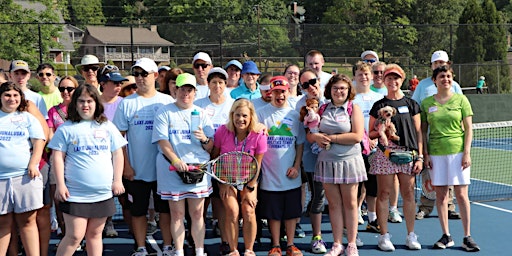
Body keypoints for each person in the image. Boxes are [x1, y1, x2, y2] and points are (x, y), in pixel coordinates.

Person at [48, 84, 127, 256]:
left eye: (90, 101)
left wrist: (117, 180)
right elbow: (57, 158)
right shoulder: (66, 128)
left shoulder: (107, 126)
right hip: (75, 194)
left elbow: (118, 154)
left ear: (96, 103)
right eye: (81, 101)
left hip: (102, 193)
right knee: (74, 236)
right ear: (75, 104)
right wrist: (61, 185)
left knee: (95, 235)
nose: (85, 105)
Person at [113, 58, 175, 256]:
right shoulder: (126, 103)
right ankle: (140, 247)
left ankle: (167, 246)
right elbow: (118, 139)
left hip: (164, 170)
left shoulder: (166, 101)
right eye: (136, 74)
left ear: (155, 76)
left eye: (144, 74)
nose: (140, 78)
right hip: (137, 171)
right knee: (137, 211)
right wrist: (126, 166)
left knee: (165, 211)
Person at [152, 73, 215, 256]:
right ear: (175, 90)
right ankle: (178, 251)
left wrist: (204, 139)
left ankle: (199, 250)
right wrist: (176, 161)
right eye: (182, 89)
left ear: (195, 92)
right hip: (172, 172)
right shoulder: (164, 112)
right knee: (177, 214)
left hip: (198, 171)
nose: (185, 93)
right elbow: (162, 142)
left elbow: (211, 146)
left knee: (197, 214)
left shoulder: (201, 113)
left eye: (189, 90)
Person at [420, 65, 480, 252]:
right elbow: (423, 131)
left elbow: (468, 128)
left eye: (448, 76)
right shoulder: (427, 103)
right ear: (435, 80)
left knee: (462, 195)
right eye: (441, 76)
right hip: (436, 154)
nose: (445, 79)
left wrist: (467, 153)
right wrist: (426, 155)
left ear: (452, 79)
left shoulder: (462, 100)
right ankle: (446, 235)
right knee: (441, 195)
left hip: (458, 153)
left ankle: (467, 236)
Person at [308, 74, 367, 256]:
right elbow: (310, 134)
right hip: (327, 162)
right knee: (333, 205)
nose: (339, 91)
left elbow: (356, 136)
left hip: (350, 162)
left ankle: (351, 244)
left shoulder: (353, 108)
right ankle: (337, 244)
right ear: (329, 91)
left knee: (350, 204)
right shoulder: (322, 109)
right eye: (335, 88)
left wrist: (331, 138)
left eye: (343, 88)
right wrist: (316, 137)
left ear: (348, 91)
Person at [368, 64, 423, 251]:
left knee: (408, 194)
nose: (393, 81)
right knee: (383, 194)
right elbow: (370, 133)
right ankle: (384, 236)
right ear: (384, 81)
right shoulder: (379, 106)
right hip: (385, 155)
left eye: (396, 78)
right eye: (389, 78)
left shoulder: (412, 104)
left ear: (402, 80)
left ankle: (411, 235)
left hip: (408, 155)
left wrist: (420, 157)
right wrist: (380, 130)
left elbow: (418, 133)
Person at [212, 98, 267, 256]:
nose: (240, 119)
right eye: (237, 115)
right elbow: (215, 158)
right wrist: (222, 183)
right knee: (232, 211)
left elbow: (258, 163)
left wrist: (251, 186)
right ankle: (233, 250)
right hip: (226, 178)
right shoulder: (222, 131)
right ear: (232, 115)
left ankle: (249, 250)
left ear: (251, 117)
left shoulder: (259, 134)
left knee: (249, 209)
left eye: (244, 116)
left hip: (249, 178)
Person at [257, 76, 305, 256]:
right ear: (271, 92)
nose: (280, 95)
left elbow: (299, 143)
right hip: (269, 174)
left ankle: (290, 245)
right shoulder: (262, 113)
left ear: (288, 92)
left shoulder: (294, 115)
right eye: (276, 92)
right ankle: (275, 244)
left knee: (291, 212)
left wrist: (297, 165)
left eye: (283, 92)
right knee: (273, 212)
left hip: (290, 173)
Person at [412, 50, 462, 220]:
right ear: (431, 65)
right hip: (429, 139)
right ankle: (425, 207)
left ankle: (449, 206)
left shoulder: (454, 85)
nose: (439, 65)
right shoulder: (422, 85)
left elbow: (461, 110)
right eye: (436, 63)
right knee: (428, 173)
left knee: (449, 175)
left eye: (443, 63)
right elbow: (416, 108)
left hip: (450, 140)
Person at [0, 81, 46, 256]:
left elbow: (39, 142)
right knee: (3, 223)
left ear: (20, 98)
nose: (11, 99)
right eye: (7, 95)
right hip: (1, 179)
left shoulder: (28, 118)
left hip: (24, 177)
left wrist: (33, 164)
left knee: (27, 222)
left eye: (15, 95)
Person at [194, 67, 235, 252]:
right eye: (213, 82)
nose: (217, 86)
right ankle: (195, 238)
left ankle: (225, 240)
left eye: (220, 82)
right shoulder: (199, 105)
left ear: (225, 85)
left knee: (222, 201)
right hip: (202, 161)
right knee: (201, 203)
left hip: (226, 164)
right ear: (208, 85)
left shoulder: (233, 105)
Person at [296, 68, 329, 254]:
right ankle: (317, 237)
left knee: (339, 197)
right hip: (312, 158)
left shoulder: (332, 98)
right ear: (301, 87)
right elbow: (304, 135)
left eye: (313, 81)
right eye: (305, 84)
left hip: (335, 157)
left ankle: (347, 236)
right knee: (318, 196)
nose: (311, 86)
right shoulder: (300, 106)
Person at [351, 61, 385, 235]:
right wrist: (364, 139)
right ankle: (355, 213)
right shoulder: (351, 99)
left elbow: (382, 123)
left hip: (374, 150)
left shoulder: (378, 99)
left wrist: (375, 137)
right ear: (354, 77)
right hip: (355, 150)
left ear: (371, 76)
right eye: (360, 74)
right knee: (356, 185)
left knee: (373, 187)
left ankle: (372, 219)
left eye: (366, 74)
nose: (363, 77)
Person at [47, 76, 80, 241]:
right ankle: (63, 229)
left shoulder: (82, 109)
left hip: (78, 159)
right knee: (59, 197)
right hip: (58, 158)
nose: (65, 92)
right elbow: (51, 136)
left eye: (69, 88)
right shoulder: (53, 111)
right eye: (62, 89)